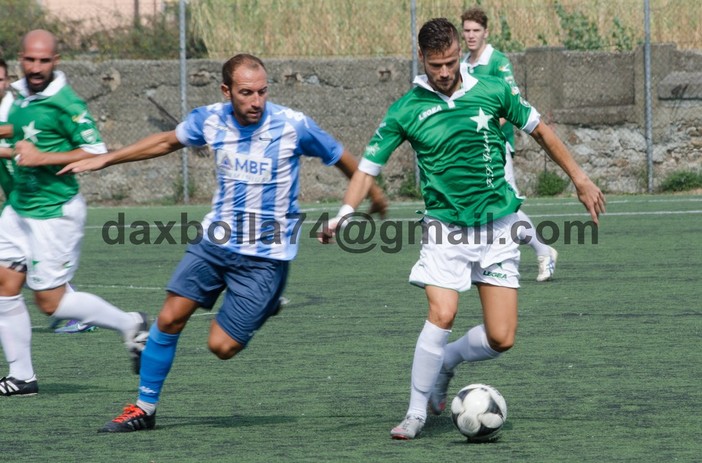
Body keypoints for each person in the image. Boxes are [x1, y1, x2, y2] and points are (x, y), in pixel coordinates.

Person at [59, 53, 388, 432]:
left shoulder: (293, 126)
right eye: (246, 93)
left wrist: (372, 195)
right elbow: (167, 142)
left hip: (265, 257)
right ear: (226, 90)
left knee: (222, 347)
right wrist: (107, 160)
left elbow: (344, 158)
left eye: (262, 92)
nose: (256, 101)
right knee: (168, 318)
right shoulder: (210, 119)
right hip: (215, 243)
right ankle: (144, 408)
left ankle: (266, 303)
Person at [320, 18, 605, 440]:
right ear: (422, 59)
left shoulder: (492, 90)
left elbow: (540, 130)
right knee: (443, 312)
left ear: (459, 54)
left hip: (498, 227)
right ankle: (416, 413)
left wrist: (580, 178)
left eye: (451, 61)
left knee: (502, 337)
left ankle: (448, 360)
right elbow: (367, 168)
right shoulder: (406, 109)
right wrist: (345, 212)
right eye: (436, 64)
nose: (445, 72)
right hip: (445, 230)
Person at [0, 30, 149, 397]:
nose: (36, 67)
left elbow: (96, 150)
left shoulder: (67, 103)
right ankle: (21, 377)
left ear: (56, 61)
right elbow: (17, 130)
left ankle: (130, 324)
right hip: (20, 206)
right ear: (21, 58)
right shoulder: (19, 93)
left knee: (51, 304)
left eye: (43, 61)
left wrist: (42, 158)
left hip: (54, 213)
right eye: (30, 60)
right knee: (4, 288)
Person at [461, 6, 558, 282]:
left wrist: (485, 130)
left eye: (476, 30)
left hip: (494, 146)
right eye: (466, 30)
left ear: (486, 32)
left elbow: (508, 107)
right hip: (472, 150)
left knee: (507, 206)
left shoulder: (498, 62)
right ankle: (484, 259)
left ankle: (542, 252)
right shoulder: (464, 65)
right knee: (485, 204)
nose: (470, 35)